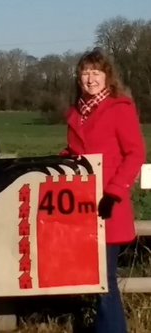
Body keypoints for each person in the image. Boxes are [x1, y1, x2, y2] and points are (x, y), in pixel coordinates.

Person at [60, 48, 145, 333]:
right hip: (81, 206)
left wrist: (114, 192)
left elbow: (135, 154)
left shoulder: (120, 107)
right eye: (85, 72)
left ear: (107, 76)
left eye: (96, 72)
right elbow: (76, 152)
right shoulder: (75, 112)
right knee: (95, 279)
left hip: (109, 206)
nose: (90, 78)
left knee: (105, 279)